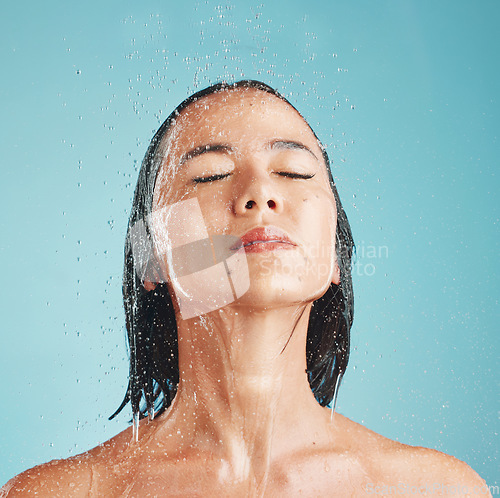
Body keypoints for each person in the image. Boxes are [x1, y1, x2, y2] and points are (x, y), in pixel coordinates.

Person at [2, 81, 489, 497]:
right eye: (210, 175)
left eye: (293, 172)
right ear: (150, 255)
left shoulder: (435, 490)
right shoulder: (58, 493)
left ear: (335, 255)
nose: (260, 194)